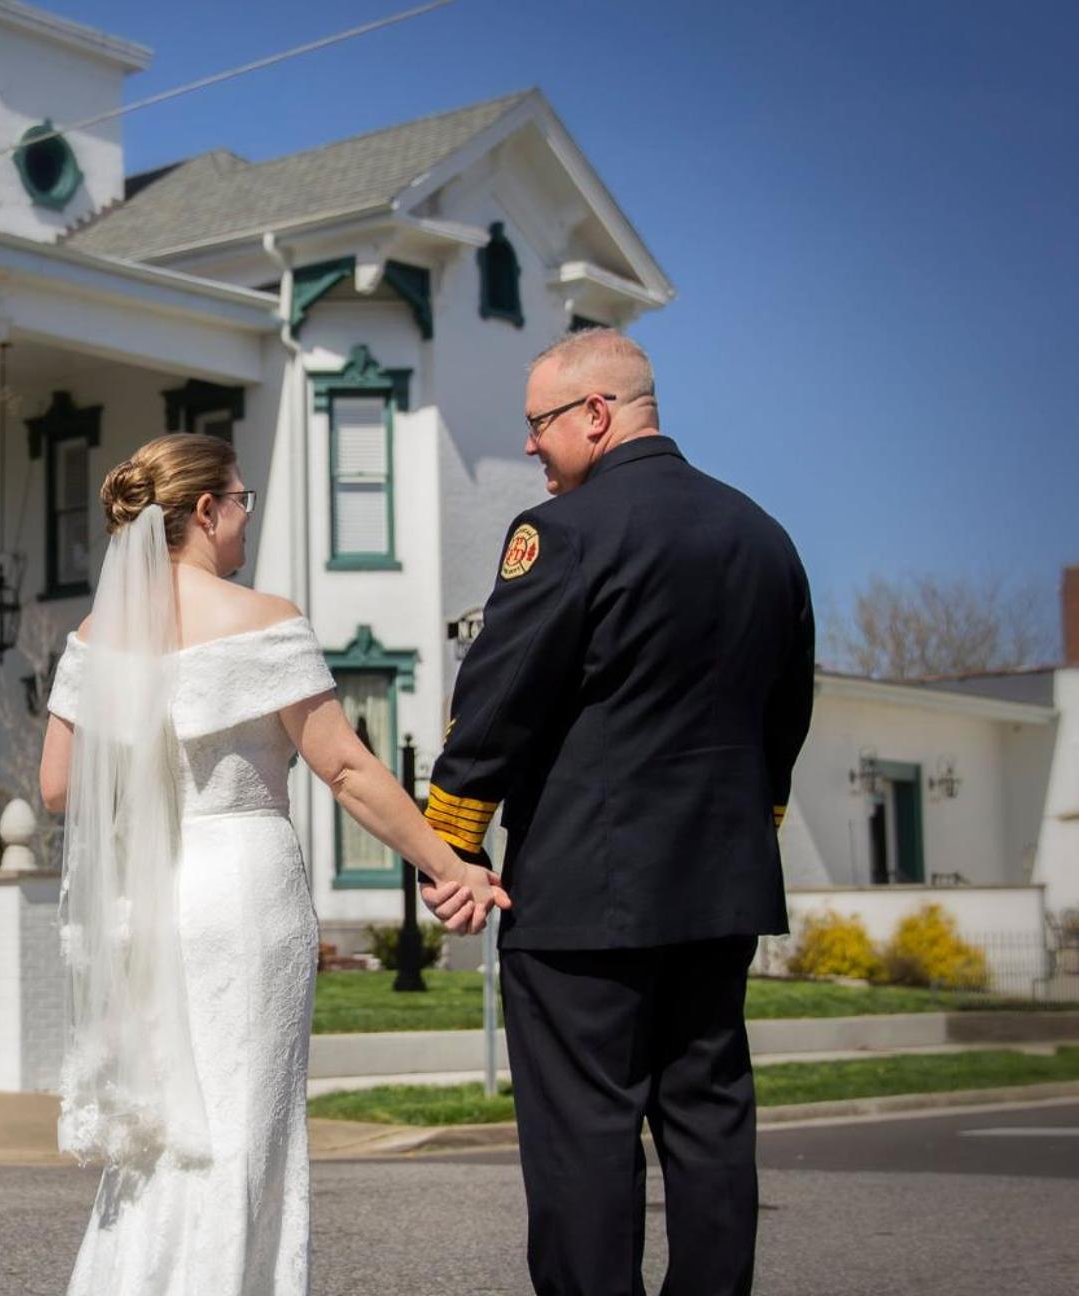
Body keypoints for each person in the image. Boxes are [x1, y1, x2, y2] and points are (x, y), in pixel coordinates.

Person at [39, 432, 506, 1296]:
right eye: (243, 500)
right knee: (246, 1129)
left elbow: (60, 787)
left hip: (160, 892)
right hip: (246, 890)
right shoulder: (264, 620)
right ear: (207, 512)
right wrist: (449, 865)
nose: (248, 516)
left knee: (165, 1129)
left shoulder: (99, 635)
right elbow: (347, 767)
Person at [419, 329, 815, 1296]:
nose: (529, 448)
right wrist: (749, 825)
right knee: (711, 1123)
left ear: (595, 415)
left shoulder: (562, 534)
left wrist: (448, 845)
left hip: (582, 899)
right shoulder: (764, 534)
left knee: (585, 1142)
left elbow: (500, 699)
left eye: (539, 424)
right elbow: (787, 710)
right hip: (719, 892)